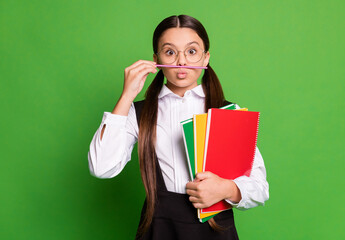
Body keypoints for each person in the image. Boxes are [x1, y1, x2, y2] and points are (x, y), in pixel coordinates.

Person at [88, 14, 269, 240]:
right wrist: (126, 96)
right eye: (170, 52)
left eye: (191, 51)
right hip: (159, 229)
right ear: (156, 59)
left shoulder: (227, 112)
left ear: (206, 58)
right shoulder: (138, 113)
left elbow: (260, 187)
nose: (181, 62)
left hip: (215, 231)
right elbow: (101, 167)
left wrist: (227, 189)